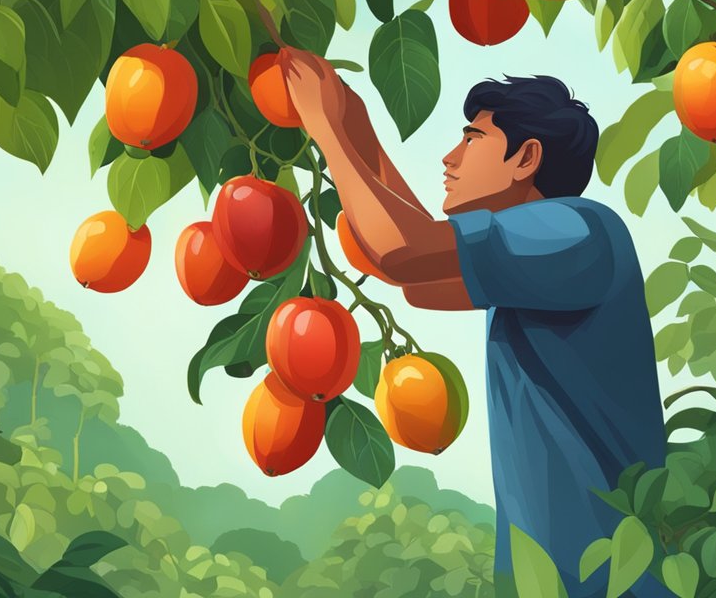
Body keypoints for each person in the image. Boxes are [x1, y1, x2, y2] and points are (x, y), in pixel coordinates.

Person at [278, 48, 671, 597]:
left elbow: (403, 252)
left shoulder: (578, 231)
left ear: (526, 158)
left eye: (471, 139)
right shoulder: (537, 257)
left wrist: (325, 128)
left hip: (614, 584)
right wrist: (358, 130)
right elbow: (415, 281)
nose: (450, 158)